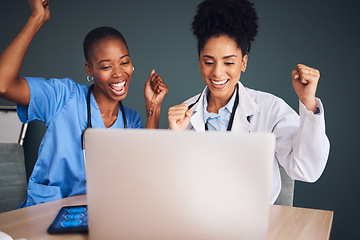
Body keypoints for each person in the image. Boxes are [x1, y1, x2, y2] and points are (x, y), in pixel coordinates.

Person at [0, 0, 168, 207]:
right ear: (89, 69)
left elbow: (144, 175)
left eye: (124, 62)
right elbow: (3, 85)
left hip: (98, 214)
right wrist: (37, 18)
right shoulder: (62, 96)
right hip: (44, 212)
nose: (118, 73)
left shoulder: (130, 120)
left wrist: (154, 106)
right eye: (106, 66)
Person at [168, 0, 330, 204]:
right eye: (209, 62)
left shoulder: (269, 109)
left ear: (243, 63)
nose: (217, 72)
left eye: (229, 62)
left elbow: (307, 169)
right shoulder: (183, 116)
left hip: (256, 223)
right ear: (199, 62)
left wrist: (308, 102)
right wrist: (174, 139)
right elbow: (172, 190)